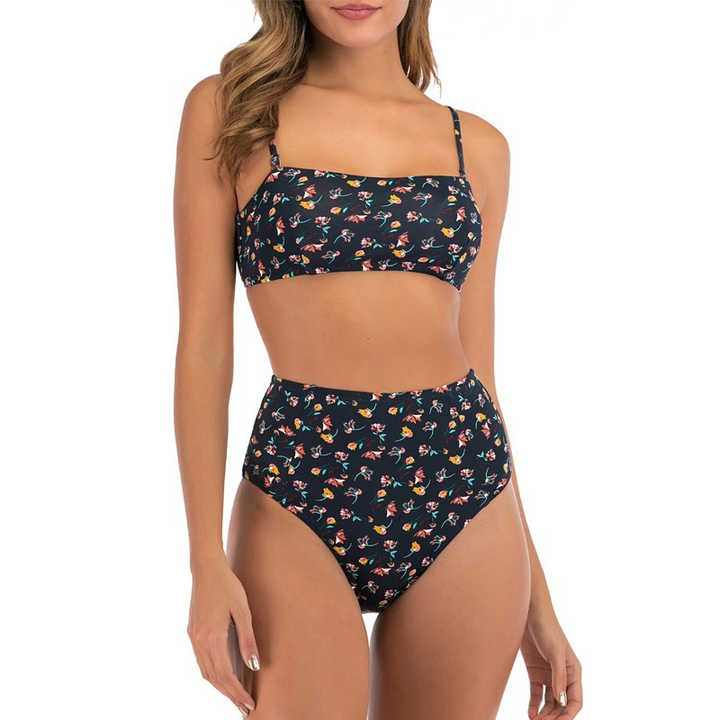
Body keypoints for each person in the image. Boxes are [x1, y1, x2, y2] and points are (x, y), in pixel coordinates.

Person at [173, 1, 582, 718]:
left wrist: (536, 597)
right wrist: (204, 561)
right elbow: (205, 347)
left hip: (464, 487)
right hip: (299, 483)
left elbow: (481, 371)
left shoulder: (478, 147)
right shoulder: (232, 112)